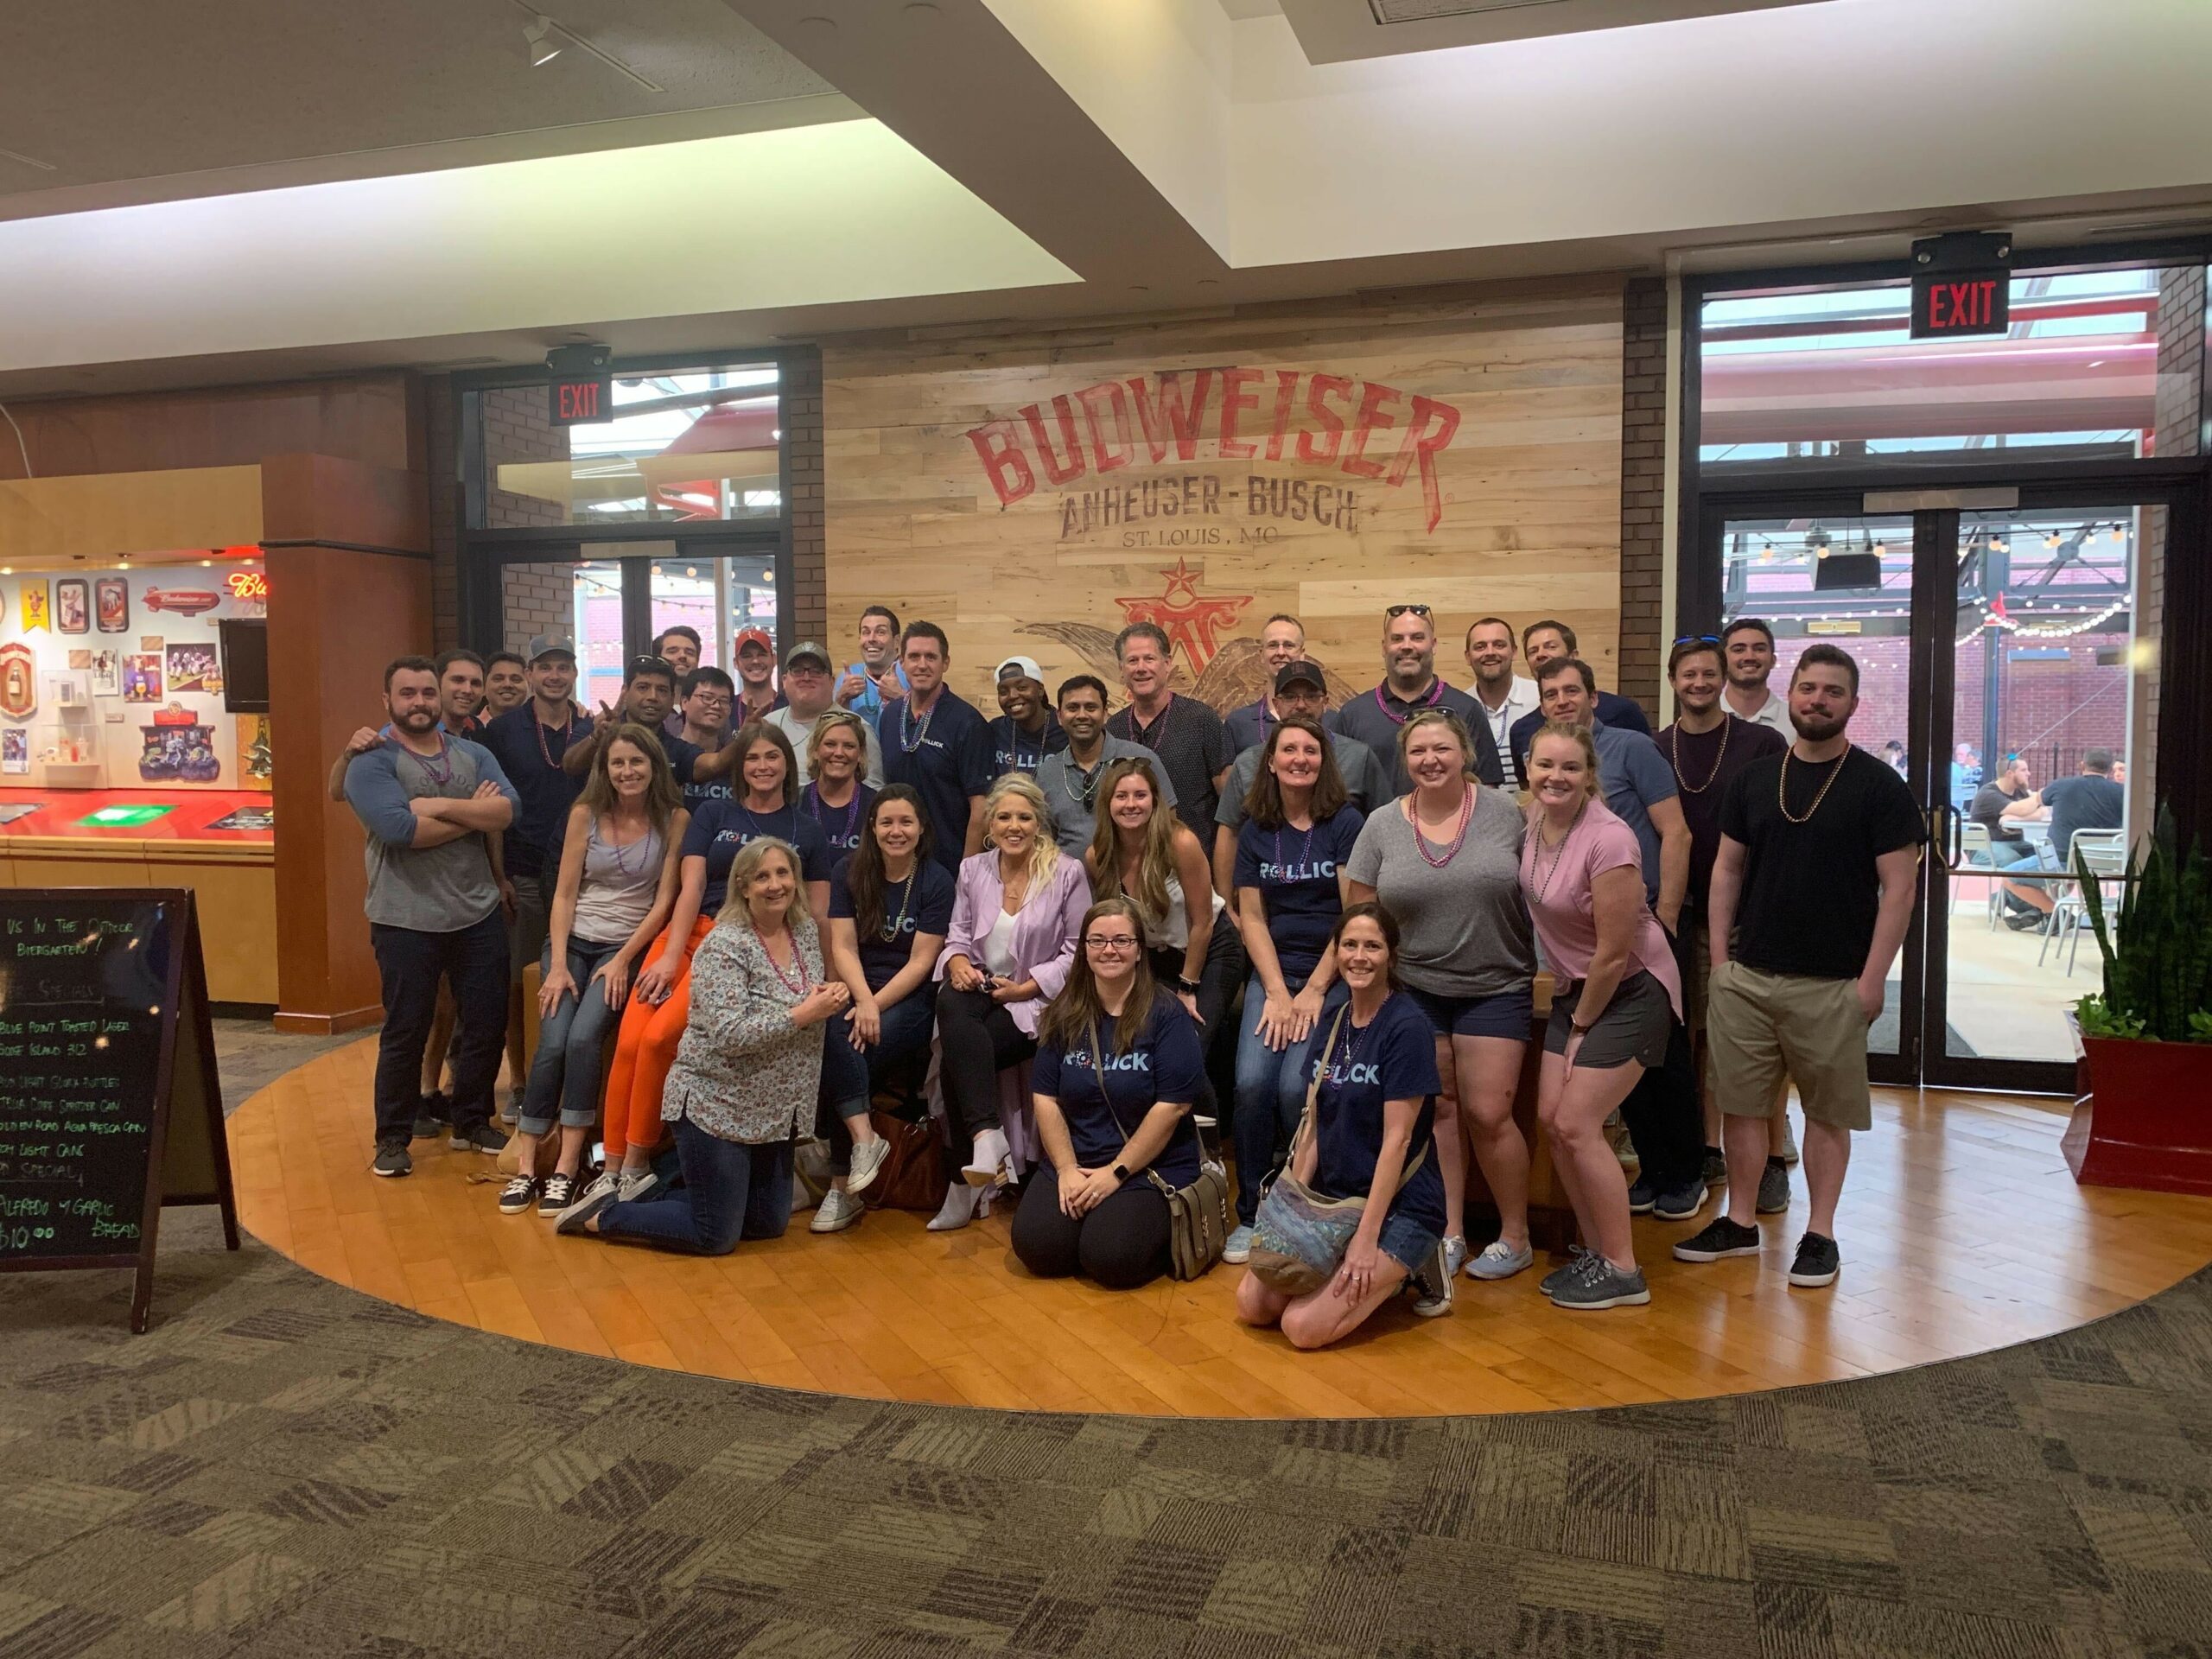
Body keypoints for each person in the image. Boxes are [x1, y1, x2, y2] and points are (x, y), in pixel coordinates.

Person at [1675, 645, 1922, 1291]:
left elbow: (1899, 891)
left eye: (1832, 692)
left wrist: (1872, 982)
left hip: (1834, 982)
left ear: (1852, 705)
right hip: (1748, 978)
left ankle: (1822, 1233)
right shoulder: (1756, 779)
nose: (1817, 700)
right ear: (1795, 694)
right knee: (1743, 1108)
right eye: (1808, 688)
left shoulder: (1880, 786)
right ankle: (1740, 1221)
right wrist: (1722, 962)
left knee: (1826, 1113)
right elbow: (1726, 869)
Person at [558, 839, 849, 1252]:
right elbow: (731, 1035)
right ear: (743, 886)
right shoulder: (723, 944)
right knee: (715, 1236)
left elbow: (798, 996)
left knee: (767, 1224)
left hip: (773, 1111)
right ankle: (603, 1215)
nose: (775, 885)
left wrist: (824, 995)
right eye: (762, 876)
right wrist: (806, 1013)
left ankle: (664, 1194)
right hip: (717, 1103)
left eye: (783, 873)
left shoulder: (802, 931)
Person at [590, 721, 831, 1209]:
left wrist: (816, 979)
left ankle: (636, 1166)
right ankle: (609, 1167)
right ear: (738, 766)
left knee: (659, 1040)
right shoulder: (713, 812)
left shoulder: (805, 828)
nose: (762, 767)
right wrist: (668, 956)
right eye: (751, 759)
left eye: (772, 757)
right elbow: (691, 888)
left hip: (740, 946)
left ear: (789, 764)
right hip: (687, 935)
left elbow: (815, 914)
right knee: (630, 1041)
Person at [1346, 709, 1536, 1302]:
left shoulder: (1508, 814)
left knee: (1489, 1112)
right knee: (1441, 1111)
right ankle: (1448, 1229)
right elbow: (1361, 912)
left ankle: (1516, 1234)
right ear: (1405, 759)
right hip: (1415, 991)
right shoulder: (1381, 824)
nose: (1431, 760)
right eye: (1419, 751)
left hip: (1496, 984)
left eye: (1442, 749)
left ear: (1465, 754)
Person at [1234, 903, 1452, 1347]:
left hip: (1400, 1206)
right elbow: (1314, 1123)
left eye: (1372, 946)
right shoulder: (1334, 1023)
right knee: (1254, 1306)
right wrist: (1290, 1212)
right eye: (1349, 945)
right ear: (1335, 954)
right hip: (1338, 1199)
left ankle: (1418, 1260)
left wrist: (1365, 1241)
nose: (1359, 957)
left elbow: (1398, 1141)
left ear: (1391, 954)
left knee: (1301, 1328)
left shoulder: (1407, 1027)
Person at [1520, 723, 1684, 1310]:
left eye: (1570, 768)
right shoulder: (1535, 821)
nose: (1555, 777)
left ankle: (1623, 1268)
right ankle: (1597, 1252)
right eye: (1545, 766)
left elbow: (1615, 953)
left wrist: (1583, 1027)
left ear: (1591, 775)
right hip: (1577, 991)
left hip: (1631, 992)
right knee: (1551, 1120)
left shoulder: (1610, 840)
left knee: (1577, 1125)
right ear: (1528, 768)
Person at [1533, 655, 1700, 1214]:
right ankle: (1651, 1175)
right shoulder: (1543, 795)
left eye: (1572, 690)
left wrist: (1669, 915)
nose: (1563, 700)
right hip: (1589, 952)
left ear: (1593, 697)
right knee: (1623, 1087)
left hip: (1637, 940)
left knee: (1665, 1066)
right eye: (1551, 693)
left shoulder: (1632, 749)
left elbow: (1675, 833)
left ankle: (1682, 1175)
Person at [499, 725, 687, 1216]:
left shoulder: (675, 818)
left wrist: (625, 958)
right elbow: (563, 894)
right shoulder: (584, 814)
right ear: (605, 769)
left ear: (654, 767)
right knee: (553, 1040)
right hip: (571, 944)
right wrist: (558, 965)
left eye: (636, 762)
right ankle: (526, 1168)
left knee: (584, 1039)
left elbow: (665, 900)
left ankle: (565, 1168)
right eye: (617, 763)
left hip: (623, 948)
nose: (627, 772)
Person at [343, 657, 519, 1176]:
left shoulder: (473, 752)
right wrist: (471, 813)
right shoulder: (372, 761)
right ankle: (392, 1138)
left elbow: (508, 811)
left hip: (477, 911)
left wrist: (433, 805)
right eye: (407, 694)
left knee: (485, 1023)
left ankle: (472, 1120)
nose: (419, 702)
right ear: (388, 701)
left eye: (426, 693)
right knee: (406, 1029)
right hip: (404, 918)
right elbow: (399, 831)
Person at [1014, 897, 1209, 1290]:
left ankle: (1128, 1229)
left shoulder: (1168, 1014)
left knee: (1109, 1259)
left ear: (1139, 950)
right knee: (1038, 1247)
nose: (1109, 950)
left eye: (1122, 940)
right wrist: (1067, 1170)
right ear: (1083, 950)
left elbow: (1173, 1108)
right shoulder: (1063, 1012)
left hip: (1148, 1166)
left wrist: (1115, 1173)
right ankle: (1092, 1221)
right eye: (1098, 941)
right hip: (1078, 1159)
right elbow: (1045, 1099)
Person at [1225, 715, 1363, 1260]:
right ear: (1273, 761)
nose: (1300, 758)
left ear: (1323, 760)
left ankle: (1300, 1205)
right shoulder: (1256, 826)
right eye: (1290, 750)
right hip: (1274, 974)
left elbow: (1354, 917)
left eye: (1311, 749)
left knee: (1293, 1090)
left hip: (1333, 975)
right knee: (1253, 1085)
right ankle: (1251, 1212)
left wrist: (1313, 992)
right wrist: (1279, 992)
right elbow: (1252, 917)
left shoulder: (1346, 822)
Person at [1657, 637, 1789, 1200]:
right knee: (1688, 1036)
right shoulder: (1656, 748)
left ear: (1724, 678)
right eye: (1688, 675)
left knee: (1751, 1040)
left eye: (1709, 674)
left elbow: (1782, 825)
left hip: (1745, 913)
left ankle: (1773, 1159)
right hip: (1678, 910)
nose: (1699, 684)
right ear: (1673, 681)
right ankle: (1704, 1150)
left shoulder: (1762, 742)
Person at [931, 773, 1091, 1230]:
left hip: (1036, 1003)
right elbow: (957, 936)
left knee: (957, 1059)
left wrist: (1026, 988)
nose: (1013, 825)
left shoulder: (1066, 872)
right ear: (990, 823)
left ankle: (964, 1184)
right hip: (981, 991)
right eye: (1004, 817)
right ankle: (987, 1136)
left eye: (1024, 817)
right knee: (950, 998)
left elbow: (1080, 950)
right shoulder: (972, 869)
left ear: (1039, 821)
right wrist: (958, 961)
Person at [811, 785, 954, 1232]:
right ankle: (863, 1142)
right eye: (887, 822)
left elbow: (922, 962)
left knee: (848, 1049)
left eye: (906, 822)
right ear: (871, 828)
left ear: (921, 828)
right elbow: (844, 947)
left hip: (911, 999)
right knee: (835, 1035)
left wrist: (874, 1004)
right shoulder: (848, 871)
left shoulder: (936, 879)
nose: (896, 831)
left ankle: (840, 1188)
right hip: (858, 988)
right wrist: (862, 1000)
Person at [474, 634, 594, 1126]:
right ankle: (522, 1081)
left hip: (579, 873)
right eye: (546, 667)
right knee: (523, 979)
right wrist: (497, 873)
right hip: (522, 869)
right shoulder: (502, 731)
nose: (555, 676)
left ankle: (568, 1076)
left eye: (564, 667)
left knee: (569, 977)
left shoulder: (590, 727)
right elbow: (490, 804)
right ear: (530, 674)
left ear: (574, 674)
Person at [1084, 756, 1241, 1123]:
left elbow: (1201, 921)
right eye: (1121, 796)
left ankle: (1210, 1156)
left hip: (1210, 949)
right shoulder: (1098, 856)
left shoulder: (1180, 843)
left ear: (1155, 801)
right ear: (1108, 802)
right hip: (1156, 959)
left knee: (1184, 1050)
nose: (1131, 804)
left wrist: (1187, 988)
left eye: (1140, 795)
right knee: (1143, 1048)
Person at [1212, 661, 1386, 896]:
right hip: (1267, 896)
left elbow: (1384, 828)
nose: (1301, 705)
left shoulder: (1359, 756)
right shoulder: (1247, 763)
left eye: (1311, 697)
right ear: (1276, 704)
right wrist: (1227, 908)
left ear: (1326, 702)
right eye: (1291, 697)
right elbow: (1229, 832)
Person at [1335, 605, 1503, 796]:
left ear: (1434, 645)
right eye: (1397, 639)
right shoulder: (1353, 714)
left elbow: (1487, 792)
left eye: (1417, 638)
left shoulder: (1467, 709)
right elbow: (1338, 790)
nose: (1407, 646)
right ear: (1384, 647)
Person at [877, 621, 995, 874]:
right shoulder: (890, 716)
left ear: (946, 663)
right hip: (896, 864)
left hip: (949, 865)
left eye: (931, 657)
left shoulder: (967, 723)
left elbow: (981, 807)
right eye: (914, 656)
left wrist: (967, 874)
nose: (922, 665)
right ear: (902, 662)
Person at [1105, 621, 1230, 843]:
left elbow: (1229, 803)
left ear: (1167, 663)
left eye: (1149, 659)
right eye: (1132, 660)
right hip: (1133, 861)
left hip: (1194, 860)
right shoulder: (1113, 729)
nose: (1141, 668)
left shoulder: (1202, 719)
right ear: (1121, 669)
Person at [1034, 674, 1176, 855]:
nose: (1082, 715)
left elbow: (1169, 826)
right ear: (1060, 716)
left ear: (1105, 714)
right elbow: (1043, 840)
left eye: (1091, 707)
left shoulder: (1142, 759)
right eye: (1072, 708)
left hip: (1136, 880)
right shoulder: (1047, 772)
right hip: (1067, 882)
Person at [563, 656, 740, 797]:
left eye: (662, 690)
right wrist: (598, 739)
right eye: (643, 687)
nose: (652, 697)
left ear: (672, 699)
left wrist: (746, 736)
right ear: (625, 691)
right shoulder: (596, 726)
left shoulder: (674, 748)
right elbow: (570, 766)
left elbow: (714, 764)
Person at [1507, 619, 1650, 776]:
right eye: (1533, 651)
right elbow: (1528, 791)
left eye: (1551, 646)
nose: (1541, 654)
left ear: (1573, 656)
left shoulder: (1622, 712)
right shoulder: (1521, 731)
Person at [771, 641, 885, 788]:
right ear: (784, 681)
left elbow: (873, 791)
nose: (806, 677)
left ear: (832, 682)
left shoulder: (857, 728)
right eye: (798, 670)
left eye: (816, 671)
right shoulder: (768, 725)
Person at [1972, 753, 2054, 928]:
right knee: (2014, 864)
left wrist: (2023, 813)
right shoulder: (1989, 793)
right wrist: (2036, 800)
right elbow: (2024, 808)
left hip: (2016, 844)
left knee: (2047, 858)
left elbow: (2043, 811)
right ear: (2009, 773)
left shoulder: (2020, 792)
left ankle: (2005, 898)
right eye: (2024, 770)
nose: (2029, 774)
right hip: (1985, 846)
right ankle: (2032, 907)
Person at [2015, 749, 2126, 871]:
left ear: (2082, 765)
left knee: (2009, 877)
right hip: (2104, 862)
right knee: (2062, 884)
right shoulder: (2122, 792)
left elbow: (2037, 801)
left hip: (2061, 859)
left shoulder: (2060, 786)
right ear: (2110, 770)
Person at [1463, 617, 1539, 787]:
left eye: (1499, 645)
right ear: (1468, 657)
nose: (1490, 652)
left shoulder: (1540, 698)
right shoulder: (1461, 708)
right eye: (1480, 647)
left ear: (1514, 651)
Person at [1222, 613, 1311, 755]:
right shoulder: (1238, 723)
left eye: (1289, 645)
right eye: (1273, 645)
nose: (1281, 652)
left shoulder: (1328, 720)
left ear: (1302, 654)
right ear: (1261, 655)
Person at [799, 710, 880, 862]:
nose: (839, 753)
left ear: (860, 754)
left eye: (849, 746)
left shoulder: (877, 805)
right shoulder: (795, 800)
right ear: (815, 750)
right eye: (830, 744)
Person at [988, 655, 1065, 774]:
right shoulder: (994, 730)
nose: (1012, 695)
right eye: (1003, 692)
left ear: (1040, 690)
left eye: (1022, 687)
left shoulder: (1064, 728)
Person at [837, 603, 910, 717]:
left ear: (897, 641)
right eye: (866, 632)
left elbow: (932, 721)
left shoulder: (911, 673)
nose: (871, 639)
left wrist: (901, 697)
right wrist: (841, 698)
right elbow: (827, 726)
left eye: (880, 632)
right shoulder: (848, 676)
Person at [1719, 619, 1791, 734]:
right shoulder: (1706, 718)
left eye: (1759, 649)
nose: (1749, 657)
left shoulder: (1794, 722)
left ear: (1773, 660)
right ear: (1722, 660)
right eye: (1739, 650)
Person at [673, 667, 736, 769]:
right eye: (707, 698)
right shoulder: (666, 756)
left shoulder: (734, 761)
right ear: (684, 702)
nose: (716, 706)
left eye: (724, 701)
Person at [733, 626, 782, 727]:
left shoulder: (789, 707)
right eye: (747, 656)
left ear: (774, 659)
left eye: (762, 654)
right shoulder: (726, 709)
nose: (755, 661)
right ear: (736, 663)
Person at [484, 650, 531, 716]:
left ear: (528, 685)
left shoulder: (539, 726)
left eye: (516, 680)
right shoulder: (471, 726)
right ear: (484, 685)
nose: (507, 684)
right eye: (498, 679)